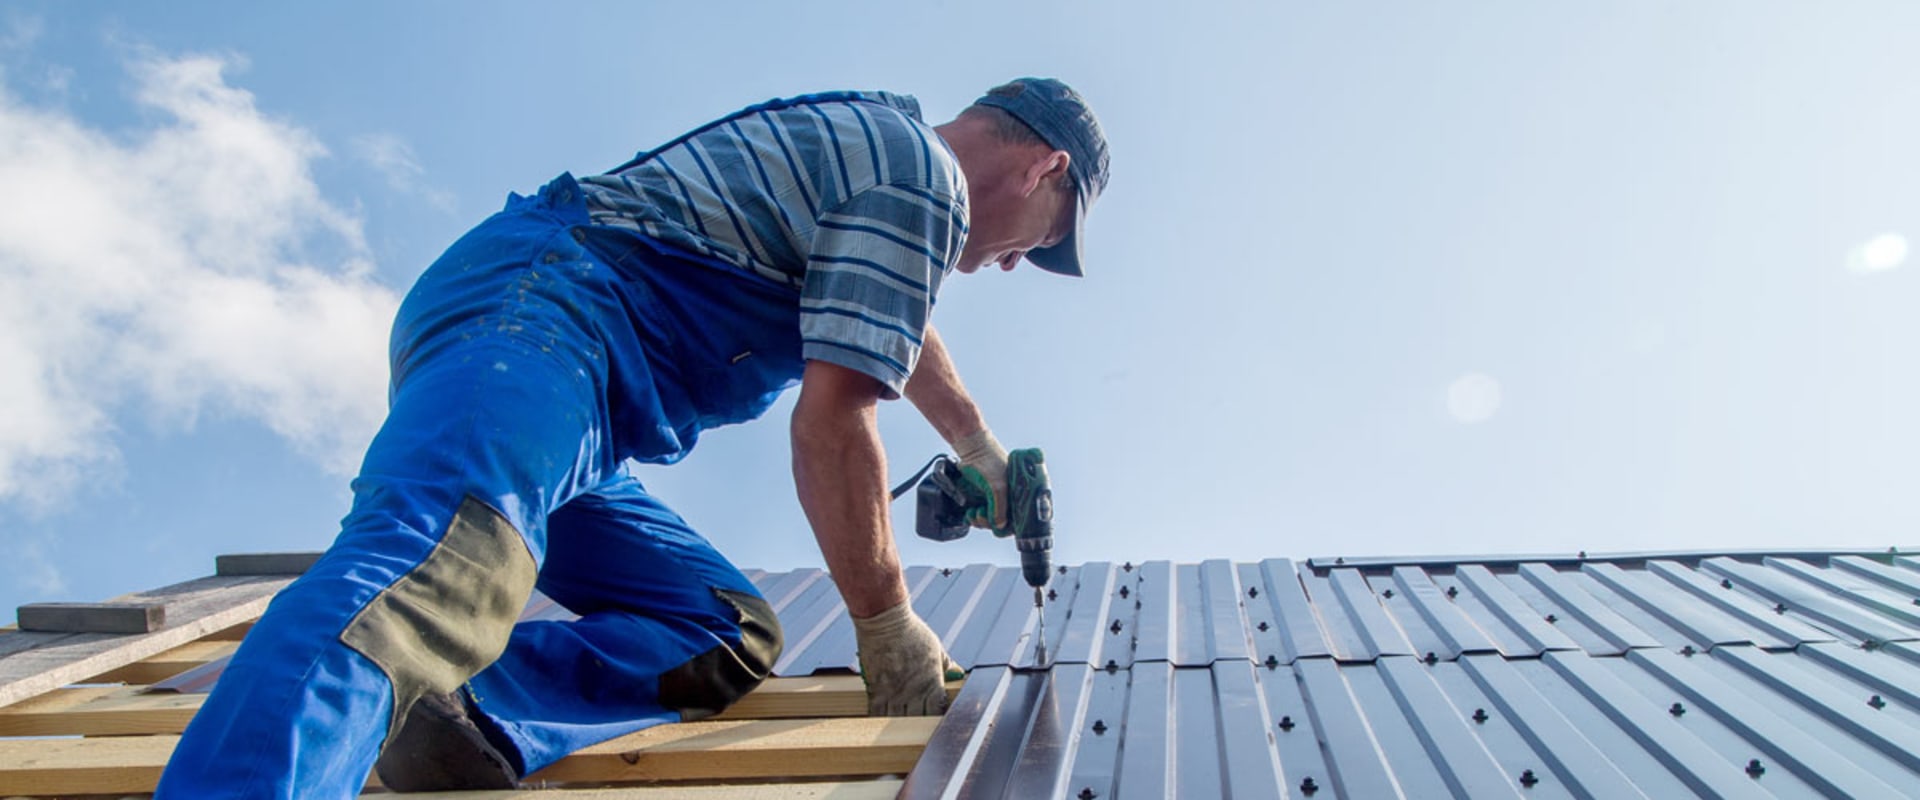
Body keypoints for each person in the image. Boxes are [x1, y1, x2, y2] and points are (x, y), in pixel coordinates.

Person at [153, 77, 1109, 797]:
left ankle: (457, 706)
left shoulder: (891, 164)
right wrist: (885, 623)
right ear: (1043, 167)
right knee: (438, 567)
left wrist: (978, 443)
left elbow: (897, 324)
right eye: (1040, 238)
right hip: (546, 316)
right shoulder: (922, 181)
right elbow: (833, 419)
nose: (1016, 261)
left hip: (579, 409)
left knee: (723, 629)